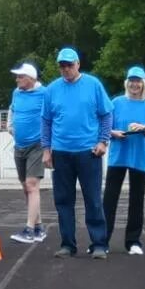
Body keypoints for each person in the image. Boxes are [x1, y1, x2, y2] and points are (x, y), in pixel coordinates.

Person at [42, 47, 113, 259]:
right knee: (63, 200)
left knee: (93, 199)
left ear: (78, 64)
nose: (65, 69)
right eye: (62, 65)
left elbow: (106, 114)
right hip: (61, 152)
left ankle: (99, 243)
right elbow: (46, 121)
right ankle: (67, 244)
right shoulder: (52, 89)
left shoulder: (93, 85)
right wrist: (46, 150)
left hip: (88, 152)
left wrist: (103, 141)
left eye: (69, 65)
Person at [102, 65, 145, 255]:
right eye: (132, 81)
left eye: (138, 81)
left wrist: (143, 128)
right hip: (118, 157)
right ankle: (102, 240)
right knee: (109, 199)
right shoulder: (116, 102)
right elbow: (106, 127)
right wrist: (113, 133)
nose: (135, 84)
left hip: (139, 158)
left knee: (137, 200)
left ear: (144, 84)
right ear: (127, 83)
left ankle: (133, 241)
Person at [7, 61, 49, 243]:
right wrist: (10, 125)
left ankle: (29, 230)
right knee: (26, 188)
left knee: (32, 185)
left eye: (20, 76)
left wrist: (50, 145)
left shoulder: (45, 93)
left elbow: (51, 116)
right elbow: (12, 109)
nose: (17, 79)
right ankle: (39, 228)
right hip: (20, 145)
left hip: (37, 145)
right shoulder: (16, 93)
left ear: (31, 78)